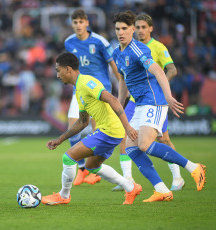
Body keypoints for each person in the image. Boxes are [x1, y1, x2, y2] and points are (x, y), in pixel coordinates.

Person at [112, 10, 206, 202]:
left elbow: (159, 72)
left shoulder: (139, 49)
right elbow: (123, 82)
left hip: (153, 101)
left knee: (144, 144)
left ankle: (193, 168)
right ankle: (162, 189)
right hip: (139, 105)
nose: (120, 32)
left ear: (131, 30)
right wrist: (118, 106)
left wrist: (169, 97)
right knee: (131, 148)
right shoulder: (117, 53)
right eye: (117, 29)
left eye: (124, 28)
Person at [41, 52, 142, 206]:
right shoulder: (79, 89)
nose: (57, 75)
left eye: (58, 70)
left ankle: (63, 195)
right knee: (92, 166)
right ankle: (131, 187)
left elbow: (113, 99)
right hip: (109, 131)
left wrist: (127, 126)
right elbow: (83, 121)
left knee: (68, 158)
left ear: (68, 69)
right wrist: (60, 139)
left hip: (109, 130)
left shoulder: (87, 83)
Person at [64, 9, 121, 186]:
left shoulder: (99, 41)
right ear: (72, 24)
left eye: (81, 22)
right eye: (75, 22)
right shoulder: (69, 42)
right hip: (79, 91)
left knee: (99, 131)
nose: (78, 25)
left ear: (87, 23)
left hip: (99, 90)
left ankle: (94, 169)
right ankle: (82, 168)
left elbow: (114, 66)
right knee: (73, 126)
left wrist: (123, 88)